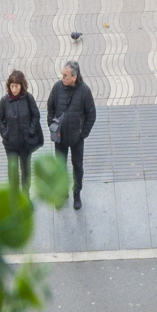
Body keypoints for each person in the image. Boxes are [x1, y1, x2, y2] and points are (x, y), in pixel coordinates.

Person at [46, 61, 96, 210]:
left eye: (65, 75)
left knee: (77, 167)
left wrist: (82, 134)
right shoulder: (57, 88)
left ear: (74, 77)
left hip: (76, 139)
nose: (62, 77)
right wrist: (52, 126)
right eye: (62, 74)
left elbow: (91, 114)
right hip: (60, 137)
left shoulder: (84, 91)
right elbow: (50, 106)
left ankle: (76, 193)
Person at [0, 70, 44, 191]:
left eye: (16, 86)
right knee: (12, 171)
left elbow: (36, 115)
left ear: (22, 85)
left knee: (25, 170)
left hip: (25, 143)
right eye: (12, 86)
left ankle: (25, 195)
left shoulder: (28, 98)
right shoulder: (5, 101)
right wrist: (5, 134)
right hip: (10, 144)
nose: (14, 89)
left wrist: (31, 131)